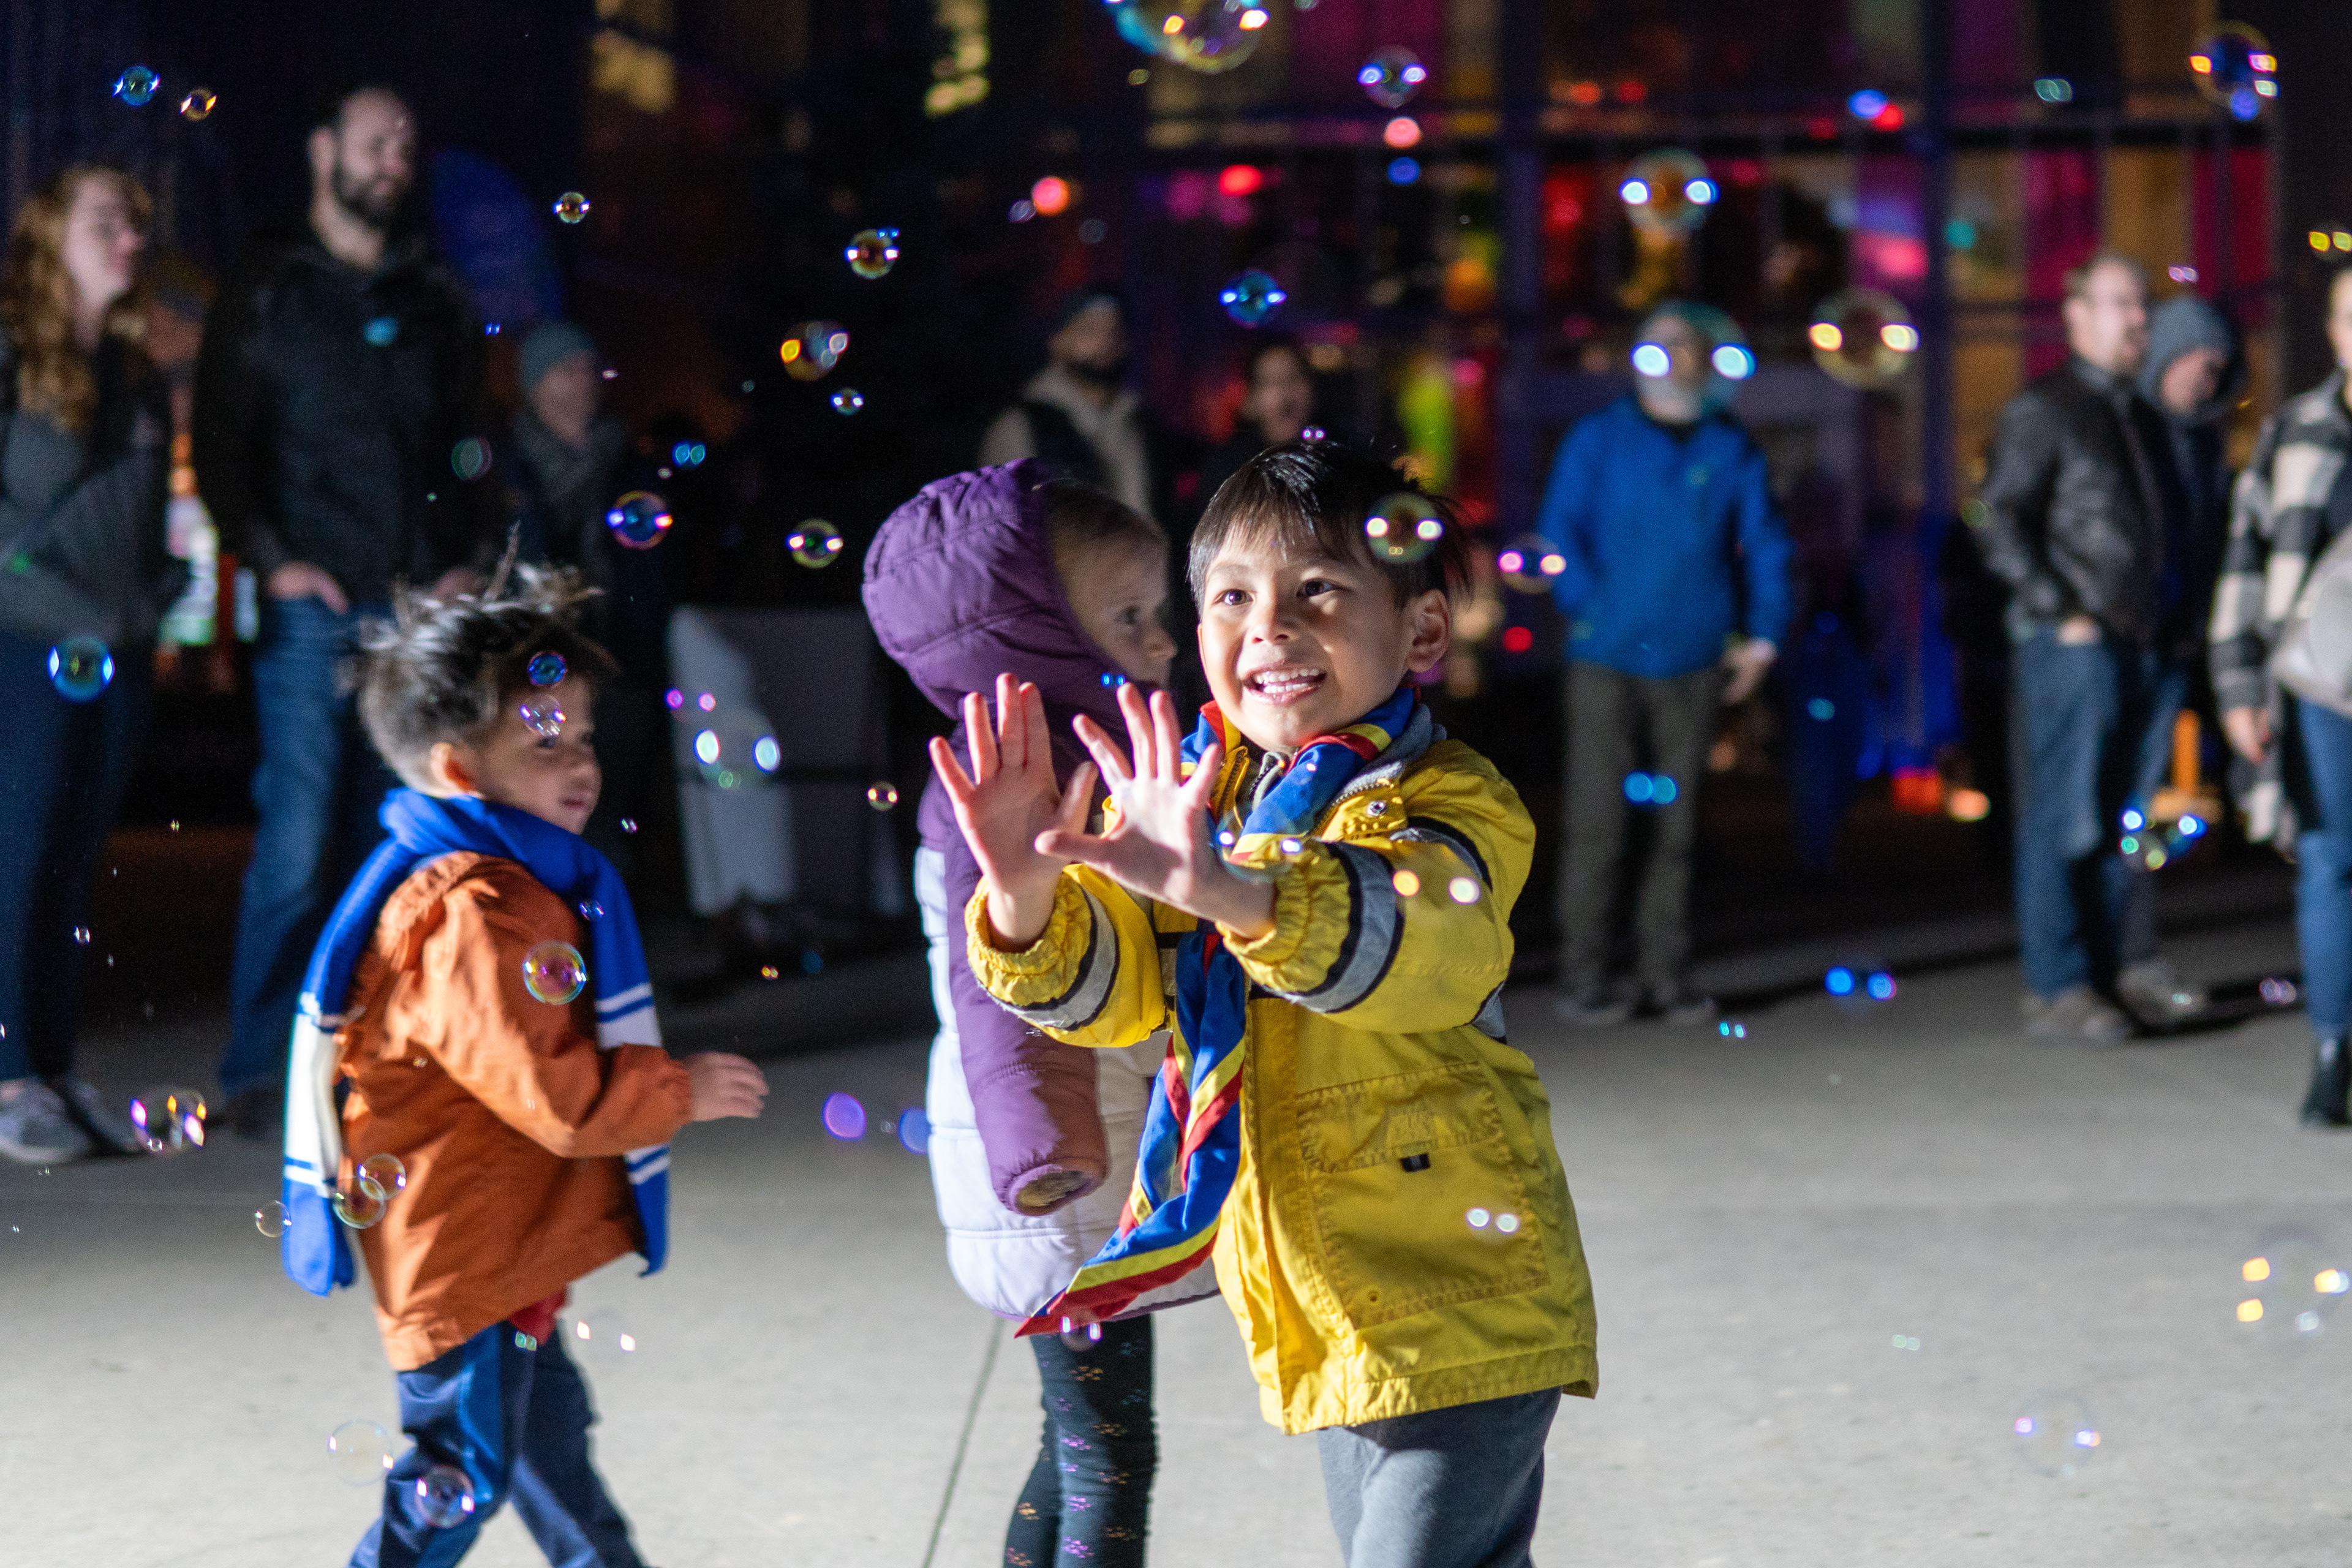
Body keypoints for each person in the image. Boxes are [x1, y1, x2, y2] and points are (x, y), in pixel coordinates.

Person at [935, 441, 1597, 1568]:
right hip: (1328, 1311)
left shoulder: (1449, 799)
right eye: (1233, 597)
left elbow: (1424, 942)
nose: (1272, 628)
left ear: (1424, 632)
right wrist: (1025, 895)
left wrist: (1237, 894)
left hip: (1462, 1295)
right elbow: (1119, 997)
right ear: (1201, 638)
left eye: (1320, 592)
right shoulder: (1202, 803)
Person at [276, 562, 767, 1566]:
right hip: (467, 1257)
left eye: (582, 734)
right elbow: (557, 1099)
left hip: (502, 1246)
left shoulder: (509, 882)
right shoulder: (477, 913)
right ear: (460, 769)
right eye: (544, 744)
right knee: (460, 1474)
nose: (579, 761)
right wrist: (681, 1091)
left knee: (549, 1448)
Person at [864, 464, 1208, 1567]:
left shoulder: (1069, 755)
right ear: (1028, 637)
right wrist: (1048, 1152)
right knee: (1112, 1456)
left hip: (1080, 1146)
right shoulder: (1017, 783)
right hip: (1061, 1161)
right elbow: (996, 1001)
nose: (1163, 644)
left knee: (1077, 1441)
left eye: (1162, 614)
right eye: (1128, 619)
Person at [196, 84, 496, 1133]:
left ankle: (390, 1053)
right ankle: (256, 1069)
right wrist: (273, 560)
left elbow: (468, 442)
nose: (393, 160)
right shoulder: (270, 285)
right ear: (324, 150)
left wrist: (463, 559)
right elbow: (224, 443)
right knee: (296, 834)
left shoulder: (431, 295)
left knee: (406, 838)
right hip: (313, 606)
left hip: (416, 613)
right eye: (375, 141)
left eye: (407, 144)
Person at [1536, 303, 1792, 1025]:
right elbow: (1561, 535)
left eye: (1688, 345)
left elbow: (1765, 543)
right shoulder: (1599, 439)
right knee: (1598, 823)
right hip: (1606, 659)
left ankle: (1664, 973)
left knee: (1676, 829)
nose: (1677, 357)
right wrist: (1593, 607)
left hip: (1694, 656)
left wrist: (1763, 636)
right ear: (1642, 358)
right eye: (1661, 345)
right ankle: (1584, 976)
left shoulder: (1730, 443)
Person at [1974, 252, 2206, 1042]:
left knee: (2124, 819)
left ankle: (2117, 969)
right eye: (2120, 305)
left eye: (2143, 306)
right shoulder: (2048, 407)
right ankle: (2059, 981)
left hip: (2145, 644)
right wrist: (2057, 608)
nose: (2140, 319)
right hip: (2077, 646)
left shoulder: (2140, 412)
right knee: (2064, 815)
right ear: (2075, 314)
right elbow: (1999, 515)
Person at [0, 166, 181, 1164]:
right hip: (22, 640)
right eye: (106, 222)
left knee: (73, 870)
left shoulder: (136, 372)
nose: (130, 240)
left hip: (115, 650)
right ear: (49, 237)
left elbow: (140, 523)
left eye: (136, 224)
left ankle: (57, 1072)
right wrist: (84, 608)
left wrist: (155, 595)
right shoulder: (10, 356)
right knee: (19, 858)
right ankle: (11, 1076)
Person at [2211, 264, 2352, 1124]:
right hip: (2317, 686)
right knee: (2331, 858)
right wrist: (2236, 688)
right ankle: (2333, 1049)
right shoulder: (2294, 432)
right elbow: (2245, 560)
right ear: (2334, 330)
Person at [507, 320, 669, 863]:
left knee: (609, 801)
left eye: (588, 368)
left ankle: (603, 923)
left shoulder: (630, 462)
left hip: (618, 655)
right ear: (534, 386)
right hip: (533, 662)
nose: (584, 381)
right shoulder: (506, 469)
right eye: (566, 369)